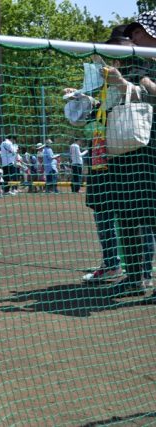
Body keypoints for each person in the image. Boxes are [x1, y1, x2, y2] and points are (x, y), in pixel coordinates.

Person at [101, 15, 156, 296]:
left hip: (150, 158)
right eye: (132, 33)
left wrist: (136, 84)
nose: (134, 38)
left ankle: (143, 275)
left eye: (140, 33)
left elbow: (148, 95)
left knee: (149, 218)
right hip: (127, 156)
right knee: (129, 216)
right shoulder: (135, 66)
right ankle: (136, 276)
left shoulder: (144, 70)